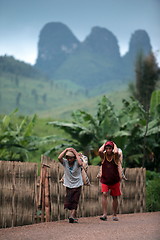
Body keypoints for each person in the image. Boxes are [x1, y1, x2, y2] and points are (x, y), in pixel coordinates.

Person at [98, 141, 122, 221]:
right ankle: (104, 214)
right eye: (107, 149)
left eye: (110, 148)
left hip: (115, 180)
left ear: (112, 149)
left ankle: (114, 214)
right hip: (105, 180)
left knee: (114, 197)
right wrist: (104, 144)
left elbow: (116, 151)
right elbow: (100, 151)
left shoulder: (115, 156)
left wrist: (114, 144)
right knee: (104, 194)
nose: (108, 150)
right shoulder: (103, 156)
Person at [58, 147, 83, 223]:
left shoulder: (77, 162)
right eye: (68, 158)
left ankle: (71, 216)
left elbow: (80, 163)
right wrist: (65, 150)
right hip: (68, 184)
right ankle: (73, 216)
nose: (69, 160)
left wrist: (75, 152)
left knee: (75, 200)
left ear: (74, 158)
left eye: (71, 158)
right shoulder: (65, 162)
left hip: (77, 184)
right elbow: (59, 158)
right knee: (69, 200)